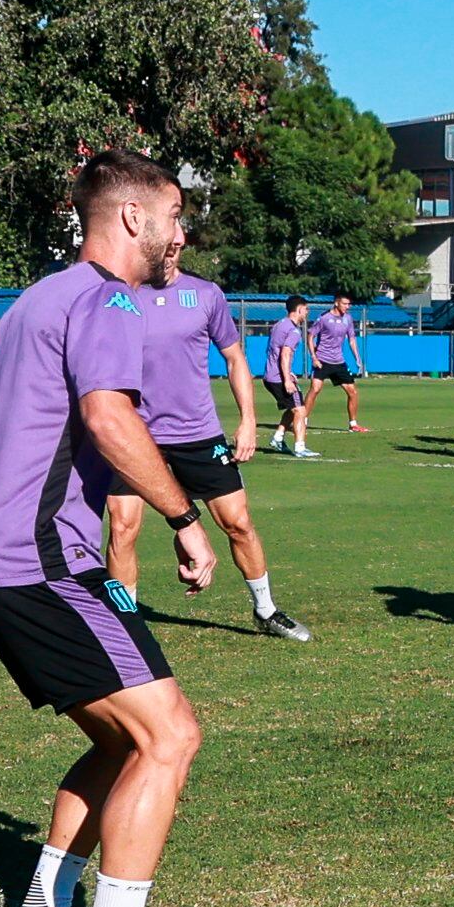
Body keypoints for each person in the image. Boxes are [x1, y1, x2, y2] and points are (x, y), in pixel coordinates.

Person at [0, 148, 221, 907]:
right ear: (132, 217)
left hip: (5, 560)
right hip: (46, 562)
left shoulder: (33, 301)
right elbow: (107, 416)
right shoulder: (110, 298)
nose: (180, 234)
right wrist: (184, 519)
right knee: (170, 737)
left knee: (121, 742)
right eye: (174, 216)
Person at [105, 248, 312, 641]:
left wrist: (248, 420)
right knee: (122, 527)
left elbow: (234, 358)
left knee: (239, 523)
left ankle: (266, 610)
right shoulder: (119, 295)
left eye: (173, 247)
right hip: (135, 435)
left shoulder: (205, 294)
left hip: (198, 434)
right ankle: (124, 625)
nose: (166, 254)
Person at [263, 296, 319, 458]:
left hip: (271, 375)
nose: (307, 312)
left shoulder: (279, 324)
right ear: (299, 309)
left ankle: (278, 438)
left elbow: (274, 351)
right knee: (300, 410)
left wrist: (288, 372)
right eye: (306, 309)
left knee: (293, 407)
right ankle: (300, 448)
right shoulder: (293, 331)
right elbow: (285, 354)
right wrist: (286, 379)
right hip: (278, 378)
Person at [303, 293, 367, 432]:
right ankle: (303, 420)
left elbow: (351, 339)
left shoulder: (348, 319)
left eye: (349, 304)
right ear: (336, 303)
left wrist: (357, 357)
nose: (347, 307)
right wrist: (314, 357)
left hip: (338, 361)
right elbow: (310, 336)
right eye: (344, 304)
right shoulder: (324, 318)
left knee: (353, 392)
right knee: (315, 389)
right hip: (322, 360)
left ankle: (353, 424)